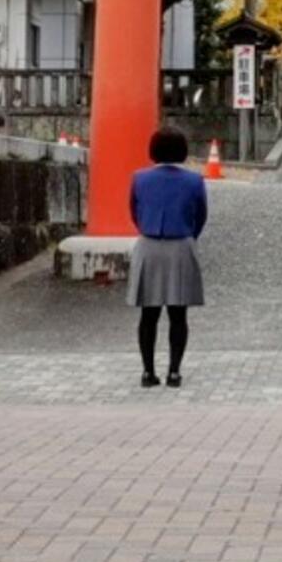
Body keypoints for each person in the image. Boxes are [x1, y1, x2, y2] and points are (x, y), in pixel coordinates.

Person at [127, 126, 208, 387]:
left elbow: (134, 212)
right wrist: (188, 234)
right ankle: (174, 371)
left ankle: (148, 372)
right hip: (181, 245)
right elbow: (201, 215)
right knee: (178, 314)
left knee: (148, 315)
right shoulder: (194, 181)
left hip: (149, 245)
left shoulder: (139, 178)